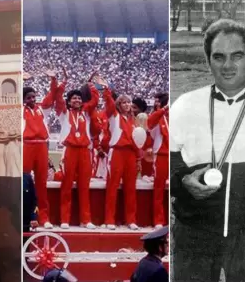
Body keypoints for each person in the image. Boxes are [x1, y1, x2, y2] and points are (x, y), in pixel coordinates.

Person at [170, 19, 245, 282]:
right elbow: (166, 161)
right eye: (219, 57)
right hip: (194, 233)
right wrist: (182, 180)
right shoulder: (185, 105)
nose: (228, 66)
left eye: (237, 55)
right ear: (208, 61)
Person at [54, 71, 99, 229]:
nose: (77, 100)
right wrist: (64, 82)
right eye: (74, 98)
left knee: (84, 186)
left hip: (84, 151)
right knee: (66, 185)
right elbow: (58, 98)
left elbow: (95, 100)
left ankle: (85, 220)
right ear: (69, 101)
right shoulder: (64, 113)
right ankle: (64, 219)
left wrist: (90, 83)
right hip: (70, 150)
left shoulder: (86, 113)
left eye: (79, 98)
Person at [23, 70, 62, 229]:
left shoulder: (41, 110)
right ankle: (25, 217)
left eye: (33, 96)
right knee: (25, 184)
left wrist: (53, 80)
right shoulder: (21, 110)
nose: (32, 99)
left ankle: (44, 217)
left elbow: (51, 96)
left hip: (41, 147)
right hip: (27, 145)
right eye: (28, 97)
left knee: (41, 183)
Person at [103, 85, 140, 230]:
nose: (126, 104)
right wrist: (107, 90)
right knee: (112, 187)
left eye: (128, 102)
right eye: (123, 102)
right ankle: (109, 219)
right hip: (117, 153)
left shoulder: (133, 120)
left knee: (131, 188)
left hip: (130, 154)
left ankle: (131, 219)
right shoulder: (114, 116)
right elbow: (109, 104)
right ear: (118, 105)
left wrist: (138, 158)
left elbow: (138, 141)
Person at [147, 94, 169, 228]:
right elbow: (150, 122)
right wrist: (163, 109)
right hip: (161, 156)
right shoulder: (159, 119)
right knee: (159, 189)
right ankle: (158, 220)